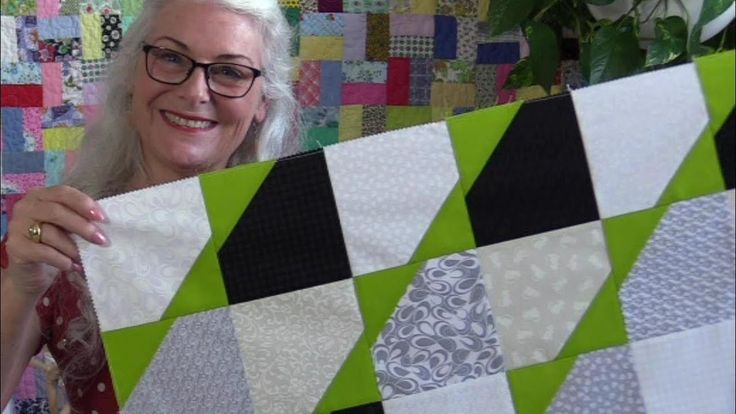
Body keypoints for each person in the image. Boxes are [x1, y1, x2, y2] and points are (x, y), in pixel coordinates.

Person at [0, 0, 301, 412]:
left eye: (230, 71)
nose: (195, 92)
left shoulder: (301, 231)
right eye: (171, 58)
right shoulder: (57, 233)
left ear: (262, 103)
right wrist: (21, 286)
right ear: (133, 77)